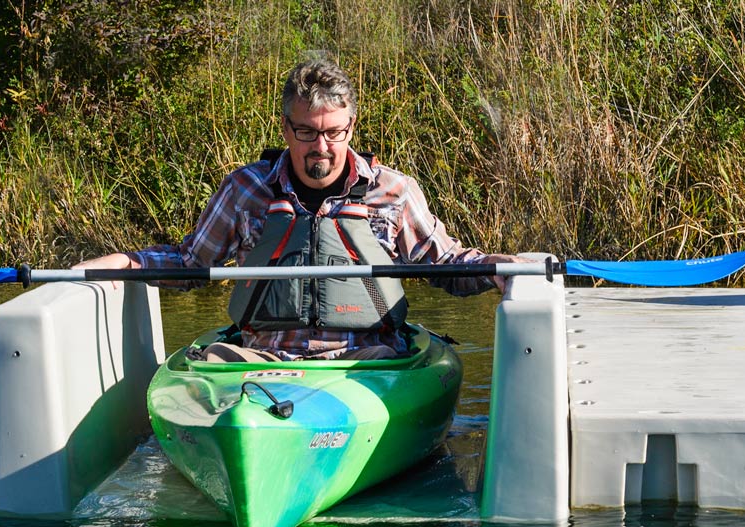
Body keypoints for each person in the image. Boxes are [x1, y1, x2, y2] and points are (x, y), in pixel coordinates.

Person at [73, 56, 520, 361]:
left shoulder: (393, 191)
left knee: (383, 354)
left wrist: (496, 267)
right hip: (257, 362)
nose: (321, 147)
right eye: (306, 132)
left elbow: (446, 264)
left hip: (367, 363)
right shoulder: (245, 189)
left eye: (333, 132)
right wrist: (126, 262)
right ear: (286, 128)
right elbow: (191, 263)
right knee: (210, 360)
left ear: (351, 127)